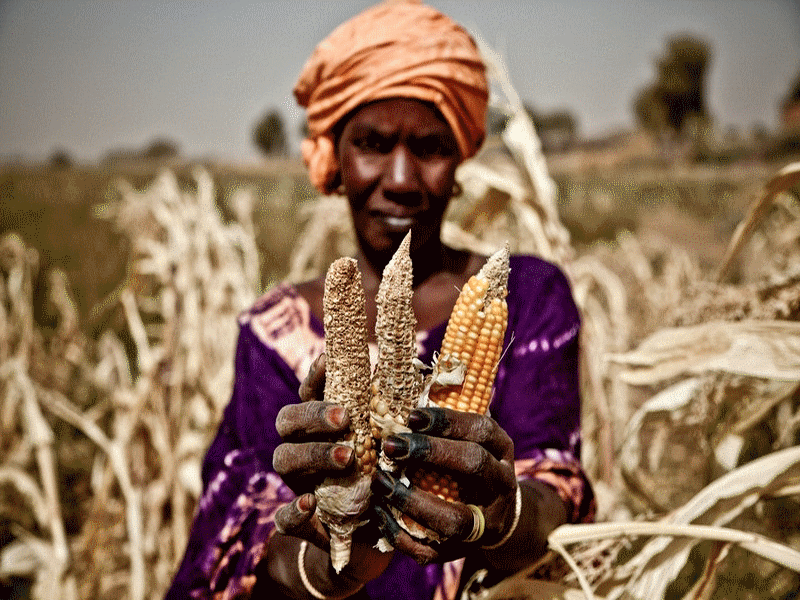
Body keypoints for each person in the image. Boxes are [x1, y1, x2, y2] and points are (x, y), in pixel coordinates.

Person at [165, 1, 594, 598]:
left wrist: (499, 517)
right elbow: (249, 534)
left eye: (430, 147)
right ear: (333, 158)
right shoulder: (271, 334)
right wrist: (339, 550)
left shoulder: (524, 298)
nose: (400, 178)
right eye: (371, 143)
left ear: (462, 157)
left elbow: (557, 491)